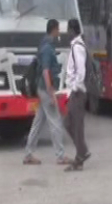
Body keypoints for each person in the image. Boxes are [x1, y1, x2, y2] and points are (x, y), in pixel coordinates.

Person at [23, 19, 69, 166]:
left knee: (38, 122)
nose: (59, 32)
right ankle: (60, 156)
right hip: (45, 89)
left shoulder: (43, 44)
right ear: (54, 30)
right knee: (55, 122)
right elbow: (46, 71)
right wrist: (51, 92)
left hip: (41, 88)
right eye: (58, 29)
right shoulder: (48, 48)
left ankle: (28, 154)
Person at [63, 19, 90, 171]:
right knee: (69, 123)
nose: (67, 33)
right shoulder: (77, 45)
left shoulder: (77, 47)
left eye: (68, 30)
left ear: (72, 30)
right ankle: (82, 151)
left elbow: (80, 71)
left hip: (78, 91)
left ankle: (80, 156)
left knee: (74, 124)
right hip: (76, 91)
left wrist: (76, 87)